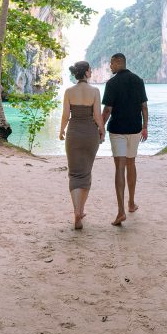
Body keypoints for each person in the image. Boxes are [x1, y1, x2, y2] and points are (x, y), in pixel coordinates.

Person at [102, 52, 148, 227]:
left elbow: (107, 110)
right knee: (131, 163)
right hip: (135, 129)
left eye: (111, 64)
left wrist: (100, 128)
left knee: (119, 168)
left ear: (116, 62)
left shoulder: (112, 83)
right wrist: (145, 127)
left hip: (117, 130)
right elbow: (144, 106)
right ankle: (131, 203)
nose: (110, 67)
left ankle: (121, 210)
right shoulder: (138, 80)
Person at [59, 61, 105, 230]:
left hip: (74, 133)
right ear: (86, 73)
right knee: (86, 172)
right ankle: (81, 210)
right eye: (90, 70)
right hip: (90, 134)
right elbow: (97, 116)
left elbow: (65, 115)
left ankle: (76, 211)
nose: (92, 71)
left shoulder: (69, 92)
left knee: (74, 173)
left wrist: (61, 131)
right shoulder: (94, 91)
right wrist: (102, 130)